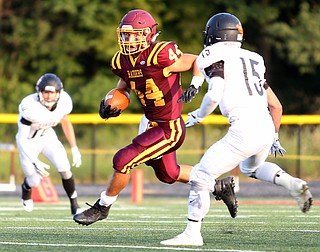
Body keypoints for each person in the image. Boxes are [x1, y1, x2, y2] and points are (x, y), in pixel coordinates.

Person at [160, 12, 313, 246]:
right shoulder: (254, 58)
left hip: (245, 129)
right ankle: (291, 183)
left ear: (213, 34)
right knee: (252, 167)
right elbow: (276, 105)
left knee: (201, 175)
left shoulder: (212, 55)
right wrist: (274, 136)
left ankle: (192, 234)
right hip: (264, 125)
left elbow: (214, 94)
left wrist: (198, 116)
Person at [73, 9, 237, 226]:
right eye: (124, 34)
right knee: (169, 174)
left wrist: (196, 83)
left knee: (122, 160)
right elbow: (124, 86)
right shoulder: (122, 60)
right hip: (150, 123)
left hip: (169, 128)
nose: (127, 39)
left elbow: (196, 60)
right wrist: (110, 103)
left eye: (133, 35)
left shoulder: (159, 53)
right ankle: (218, 186)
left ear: (147, 34)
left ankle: (102, 206)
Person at [16, 73, 83, 216]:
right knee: (34, 180)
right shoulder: (29, 106)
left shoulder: (64, 102)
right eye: (46, 92)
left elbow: (65, 122)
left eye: (52, 93)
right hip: (28, 143)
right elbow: (22, 139)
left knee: (65, 168)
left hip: (47, 136)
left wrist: (74, 147)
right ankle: (26, 187)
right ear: (39, 92)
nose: (48, 96)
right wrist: (34, 160)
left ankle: (75, 205)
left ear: (59, 93)